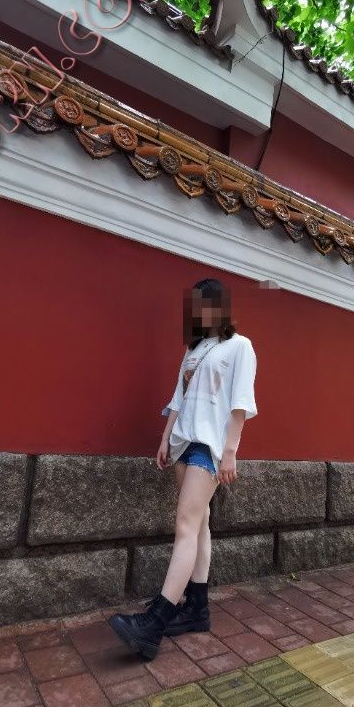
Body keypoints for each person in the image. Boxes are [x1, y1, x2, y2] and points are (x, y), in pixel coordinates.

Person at [107, 278, 258, 660]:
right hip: (182, 441)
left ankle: (154, 624)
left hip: (209, 445)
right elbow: (179, 398)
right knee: (200, 523)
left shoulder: (240, 346)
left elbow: (240, 403)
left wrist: (230, 452)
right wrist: (164, 438)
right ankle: (197, 608)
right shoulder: (193, 349)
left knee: (185, 525)